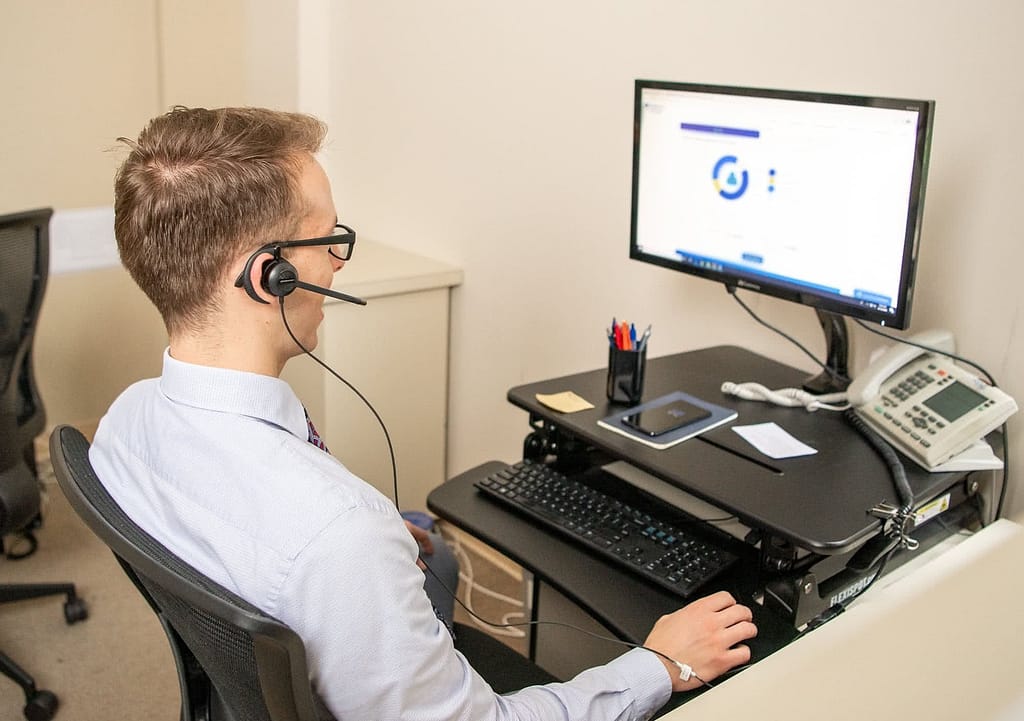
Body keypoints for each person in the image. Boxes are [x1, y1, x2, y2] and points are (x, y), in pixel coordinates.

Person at [90, 106, 757, 720]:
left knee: (427, 555)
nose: (339, 264)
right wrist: (658, 662)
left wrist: (368, 575)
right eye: (330, 239)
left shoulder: (121, 425)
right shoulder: (342, 535)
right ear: (272, 277)